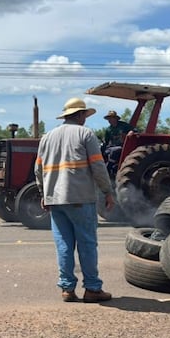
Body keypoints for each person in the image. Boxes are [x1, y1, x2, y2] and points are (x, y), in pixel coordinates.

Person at [35, 97, 115, 303]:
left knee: (63, 244)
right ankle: (92, 288)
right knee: (87, 244)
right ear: (80, 115)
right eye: (84, 115)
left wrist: (43, 194)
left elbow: (38, 170)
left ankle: (67, 289)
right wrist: (108, 191)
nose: (85, 119)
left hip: (55, 199)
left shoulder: (47, 137)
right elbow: (98, 167)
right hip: (79, 198)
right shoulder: (85, 134)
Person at [102, 110, 132, 175]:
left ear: (115, 118)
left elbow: (133, 129)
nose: (109, 120)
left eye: (111, 118)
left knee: (115, 150)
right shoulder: (108, 129)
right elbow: (106, 141)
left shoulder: (123, 125)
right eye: (108, 118)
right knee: (103, 150)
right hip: (112, 146)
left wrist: (131, 132)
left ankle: (108, 169)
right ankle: (101, 166)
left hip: (123, 146)